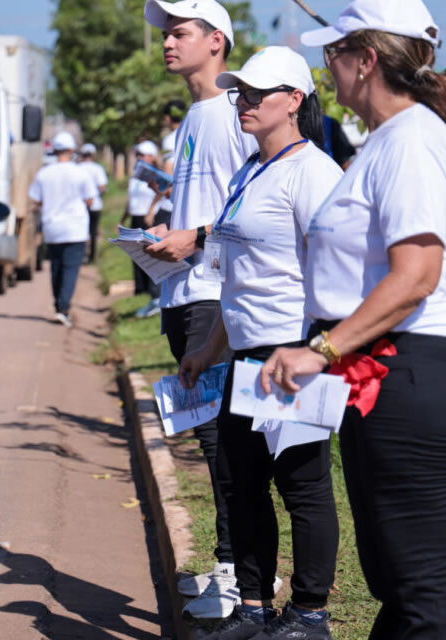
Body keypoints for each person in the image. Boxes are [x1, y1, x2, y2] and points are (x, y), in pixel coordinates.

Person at [261, 1, 446, 637]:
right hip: (381, 375)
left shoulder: (411, 141)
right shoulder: (387, 141)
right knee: (399, 583)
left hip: (406, 374)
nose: (325, 69)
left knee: (421, 590)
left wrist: (323, 349)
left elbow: (418, 271)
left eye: (332, 55)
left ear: (366, 60)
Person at [180, 46, 343, 640]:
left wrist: (316, 351)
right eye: (238, 93)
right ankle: (254, 608)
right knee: (241, 480)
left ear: (294, 100)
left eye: (256, 93)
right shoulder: (250, 168)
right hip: (246, 353)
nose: (243, 103)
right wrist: (210, 348)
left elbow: (337, 277)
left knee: (301, 483)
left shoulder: (314, 173)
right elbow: (237, 277)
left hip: (291, 352)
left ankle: (309, 615)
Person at [142, 0, 260, 619]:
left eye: (179, 32)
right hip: (183, 290)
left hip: (213, 295)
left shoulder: (228, 116)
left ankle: (238, 578)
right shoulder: (194, 115)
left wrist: (196, 237)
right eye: (165, 33)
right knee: (209, 438)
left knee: (223, 443)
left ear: (217, 41)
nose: (167, 42)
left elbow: (250, 207)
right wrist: (166, 231)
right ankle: (224, 569)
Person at [28, 131, 98, 328]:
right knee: (70, 270)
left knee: (56, 269)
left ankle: (59, 305)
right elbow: (91, 200)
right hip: (75, 228)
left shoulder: (44, 174)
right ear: (72, 150)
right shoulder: (80, 173)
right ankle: (63, 307)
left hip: (52, 228)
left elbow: (35, 199)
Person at [125, 140, 163, 313]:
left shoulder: (156, 174)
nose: (139, 158)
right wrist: (124, 217)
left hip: (149, 219)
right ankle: (140, 288)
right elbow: (131, 199)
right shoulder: (136, 174)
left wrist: (150, 212)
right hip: (136, 216)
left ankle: (152, 290)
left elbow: (161, 193)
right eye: (137, 155)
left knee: (149, 253)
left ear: (151, 157)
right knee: (136, 253)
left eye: (142, 155)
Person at [78, 142, 108, 263]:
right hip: (95, 205)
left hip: (80, 205)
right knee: (93, 230)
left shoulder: (77, 168)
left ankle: (81, 255)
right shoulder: (98, 168)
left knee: (81, 230)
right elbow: (102, 187)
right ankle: (92, 256)